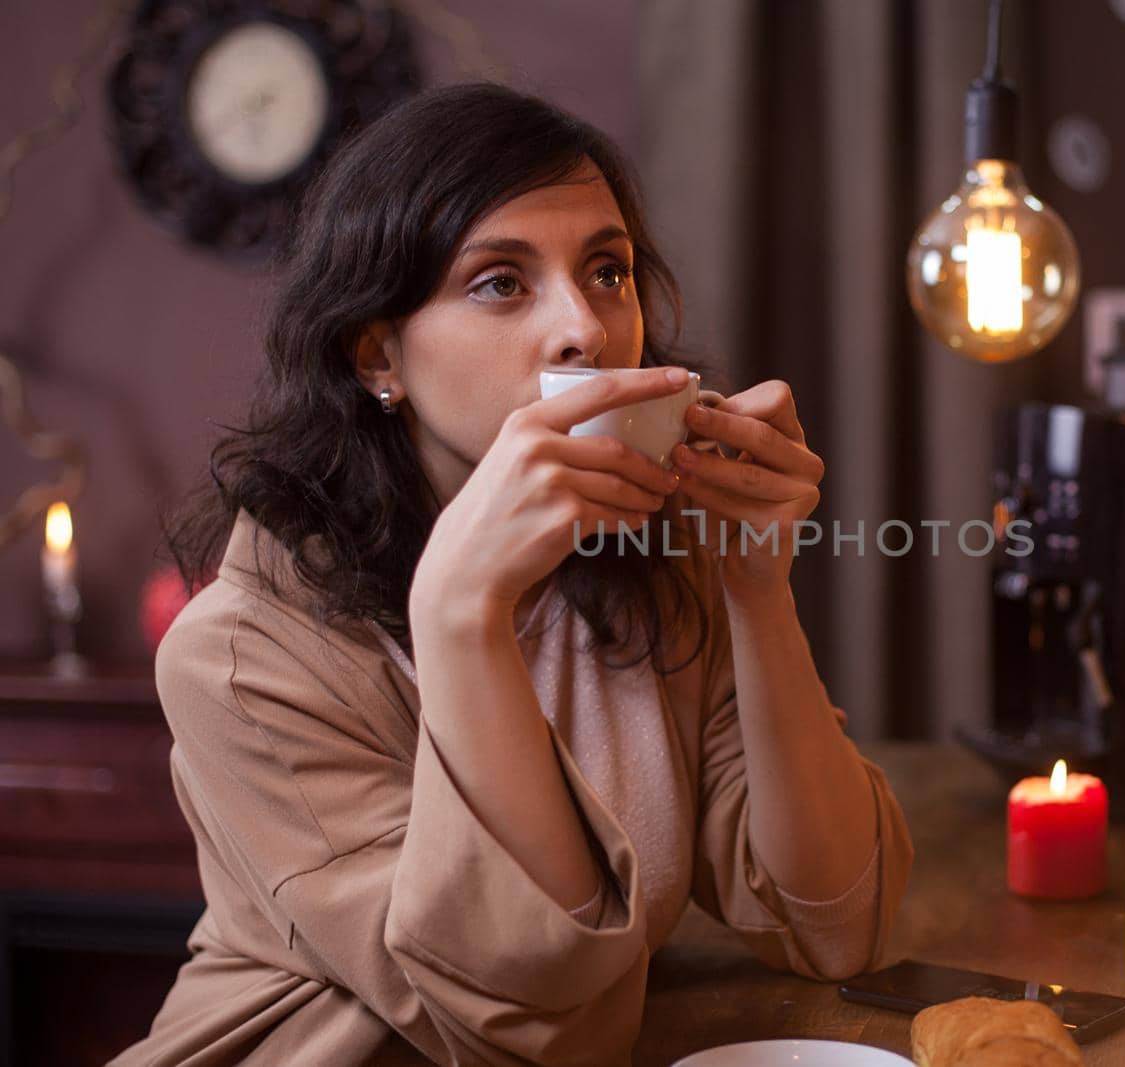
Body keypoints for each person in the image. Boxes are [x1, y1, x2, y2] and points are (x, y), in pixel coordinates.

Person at [112, 83, 913, 1067]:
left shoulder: (651, 572)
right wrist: (461, 614)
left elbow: (835, 923)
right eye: (501, 281)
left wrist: (758, 589)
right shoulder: (239, 656)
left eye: (607, 270)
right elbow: (537, 1031)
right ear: (378, 355)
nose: (584, 327)